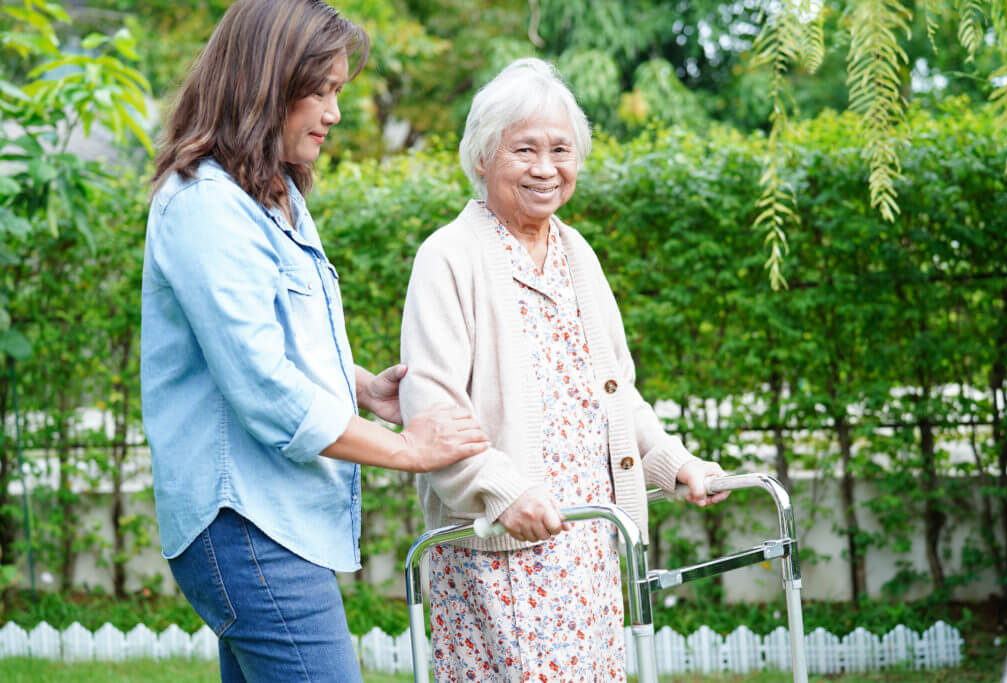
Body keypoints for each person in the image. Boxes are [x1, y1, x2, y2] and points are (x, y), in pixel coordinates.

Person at [140, 2, 488, 681]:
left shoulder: (275, 195)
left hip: (269, 513)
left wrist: (358, 383)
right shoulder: (204, 205)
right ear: (265, 85)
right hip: (244, 518)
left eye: (338, 92)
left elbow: (264, 336)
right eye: (320, 91)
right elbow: (265, 388)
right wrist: (407, 450)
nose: (334, 113)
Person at [398, 57, 730, 681]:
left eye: (561, 149)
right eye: (524, 149)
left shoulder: (578, 254)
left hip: (588, 547)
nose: (546, 168)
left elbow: (615, 395)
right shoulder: (448, 257)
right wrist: (501, 490)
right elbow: (433, 410)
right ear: (481, 157)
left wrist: (671, 460)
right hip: (494, 550)